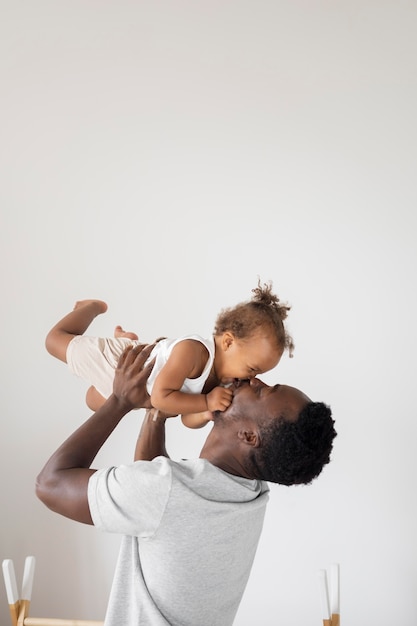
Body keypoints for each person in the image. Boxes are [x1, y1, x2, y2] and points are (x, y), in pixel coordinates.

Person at [36, 343, 336, 626]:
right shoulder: (252, 496)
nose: (254, 380)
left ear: (248, 436)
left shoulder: (167, 491)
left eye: (263, 392)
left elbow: (50, 484)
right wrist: (157, 411)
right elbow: (160, 491)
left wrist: (119, 401)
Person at [45, 280, 295, 428]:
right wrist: (206, 401)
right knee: (54, 341)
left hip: (131, 390)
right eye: (252, 369)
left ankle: (129, 341)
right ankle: (91, 307)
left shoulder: (224, 380)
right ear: (228, 342)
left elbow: (186, 419)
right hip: (119, 362)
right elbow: (162, 399)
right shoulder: (194, 352)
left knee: (92, 401)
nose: (252, 379)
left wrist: (208, 413)